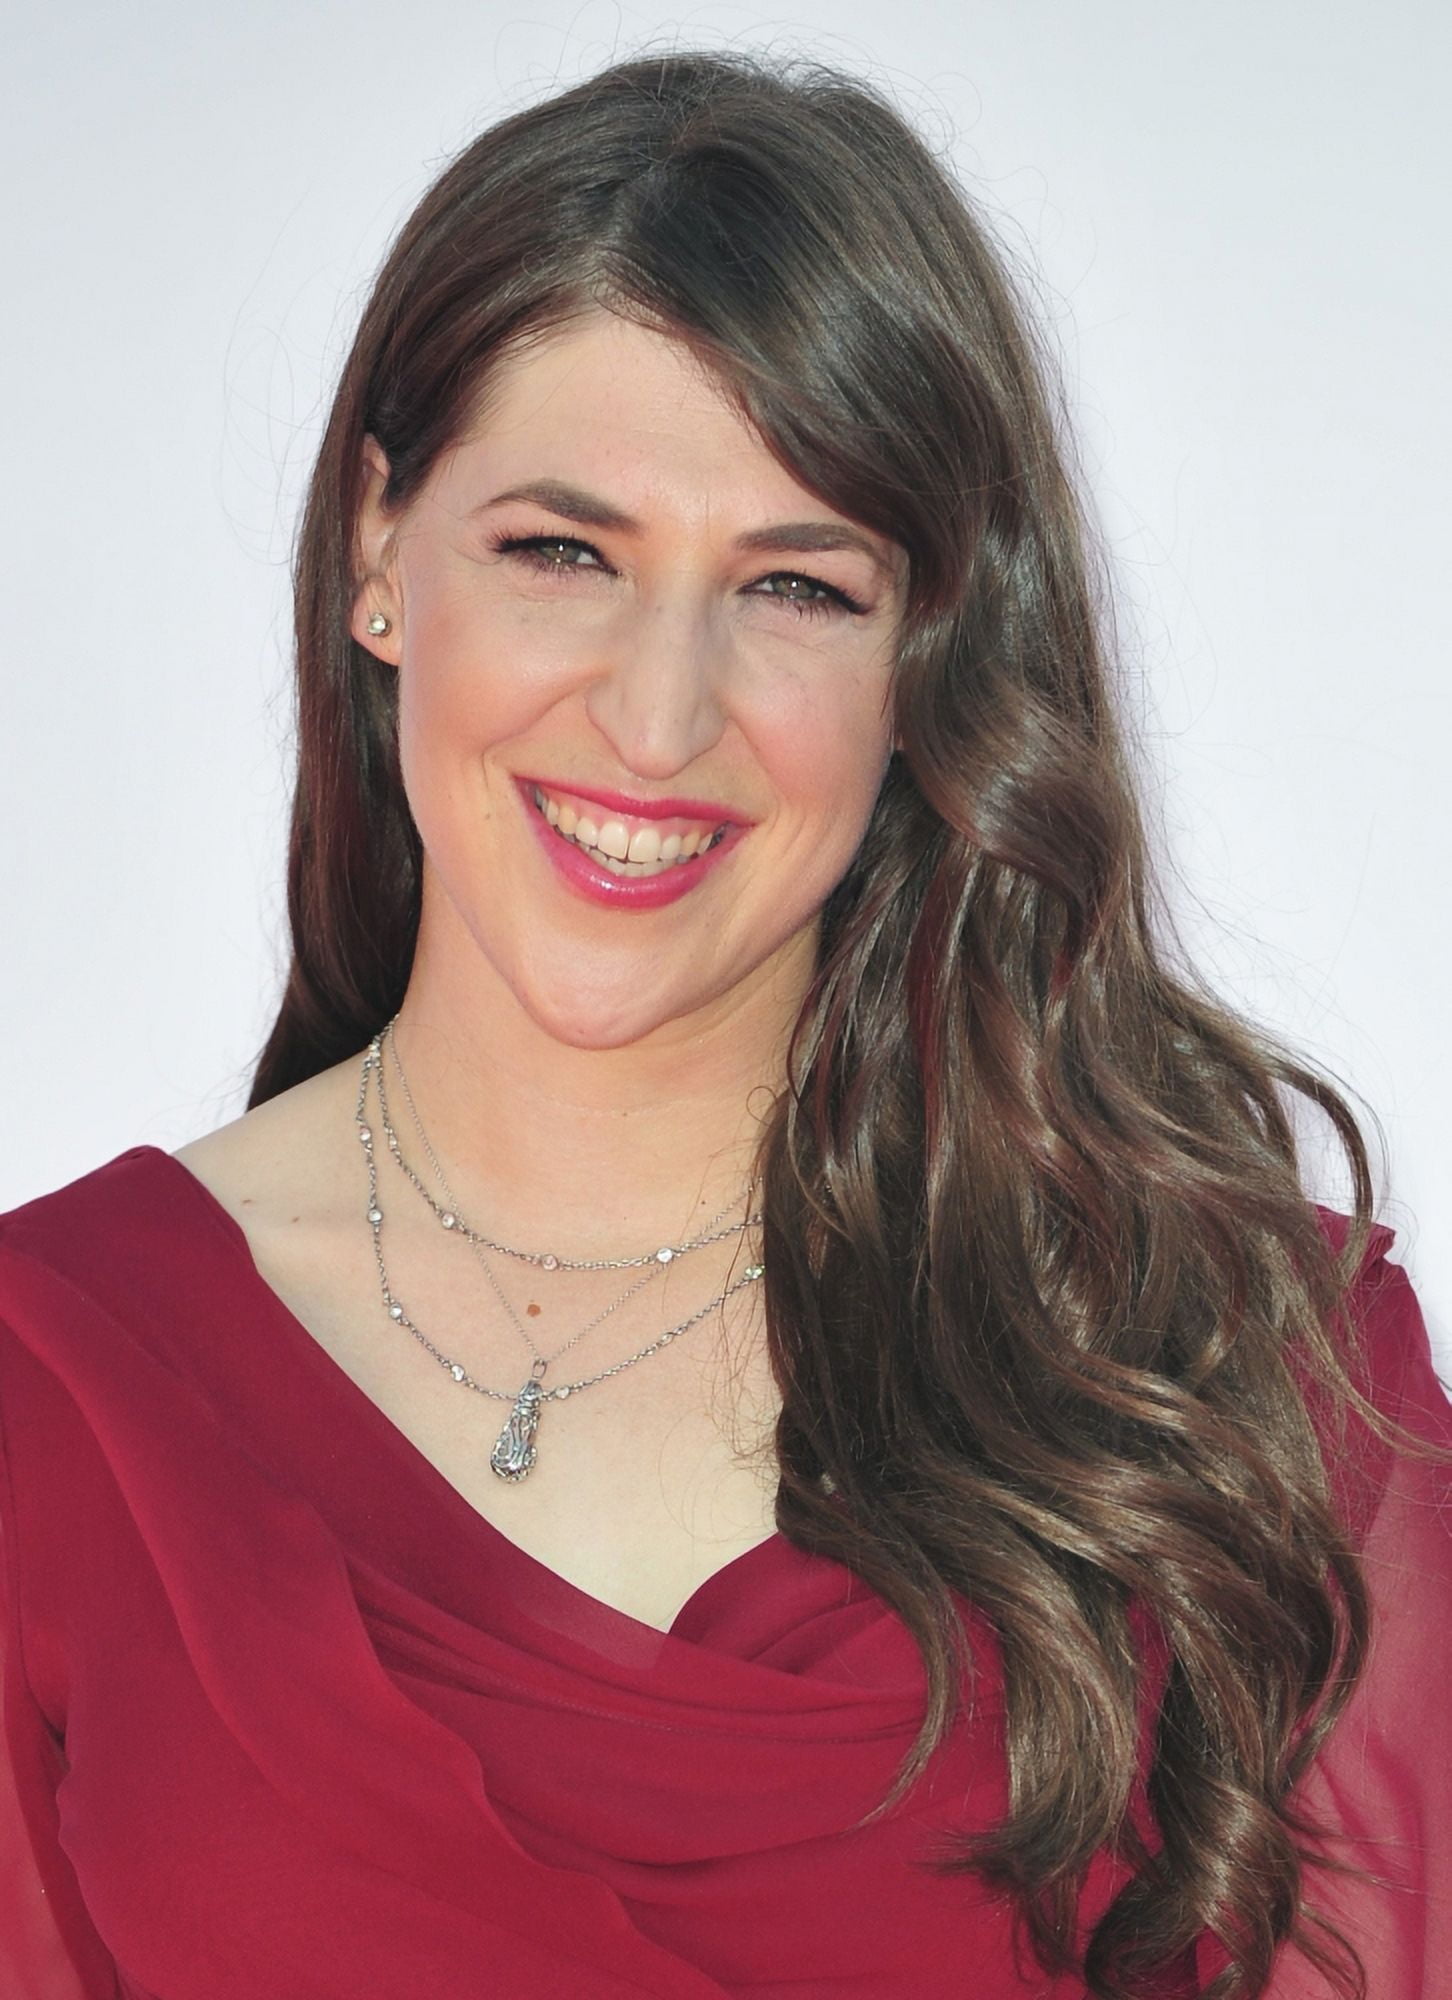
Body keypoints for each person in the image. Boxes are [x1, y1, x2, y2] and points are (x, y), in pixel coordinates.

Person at [1, 46, 1447, 2000]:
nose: (658, 716)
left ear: (928, 657)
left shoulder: (1234, 1395)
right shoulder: (53, 1395)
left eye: (795, 587)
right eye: (563, 553)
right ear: (376, 552)